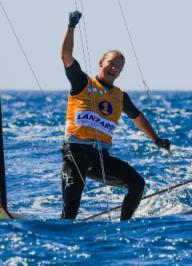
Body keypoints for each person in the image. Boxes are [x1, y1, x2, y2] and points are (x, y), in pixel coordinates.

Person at [60, 11, 170, 221]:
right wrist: (71, 26)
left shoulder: (120, 97)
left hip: (100, 156)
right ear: (101, 63)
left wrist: (156, 139)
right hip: (75, 153)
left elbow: (138, 118)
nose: (114, 69)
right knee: (70, 211)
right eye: (111, 63)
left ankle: (124, 227)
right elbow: (66, 56)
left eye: (119, 67)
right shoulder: (82, 82)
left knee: (137, 184)